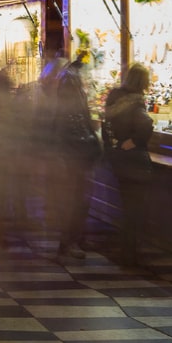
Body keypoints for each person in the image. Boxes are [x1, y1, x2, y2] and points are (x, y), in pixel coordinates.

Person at [49, 57, 101, 260]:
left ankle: (76, 238)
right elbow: (74, 127)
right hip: (75, 155)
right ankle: (67, 243)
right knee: (76, 200)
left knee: (80, 199)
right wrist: (91, 140)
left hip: (75, 153)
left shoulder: (70, 91)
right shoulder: (70, 94)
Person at [103, 63, 155, 267]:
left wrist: (113, 148)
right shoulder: (136, 102)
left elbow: (106, 127)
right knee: (135, 210)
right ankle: (130, 255)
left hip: (119, 162)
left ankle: (127, 251)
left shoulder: (113, 98)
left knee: (127, 207)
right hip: (134, 162)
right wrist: (133, 142)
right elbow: (146, 126)